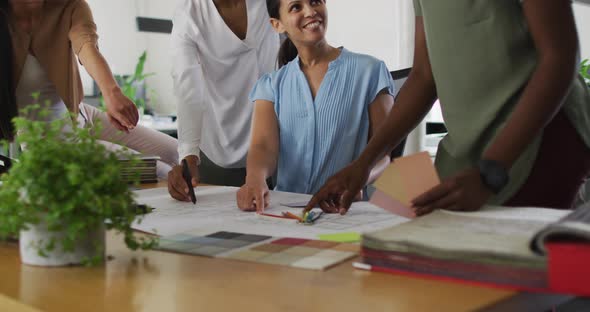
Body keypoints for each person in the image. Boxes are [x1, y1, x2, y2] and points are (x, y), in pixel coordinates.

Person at [306, 0, 590, 216]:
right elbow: (424, 77)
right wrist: (363, 163)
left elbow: (560, 57)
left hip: (538, 140)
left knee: (514, 282)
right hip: (469, 151)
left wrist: (491, 170)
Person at [235, 0, 394, 212]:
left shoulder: (371, 71)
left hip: (343, 211)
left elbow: (384, 154)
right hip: (284, 211)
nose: (310, 12)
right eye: (296, 7)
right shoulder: (271, 85)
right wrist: (254, 179)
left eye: (315, 2)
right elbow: (263, 146)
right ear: (277, 25)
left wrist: (359, 177)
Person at [0, 0, 178, 173]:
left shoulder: (70, 6)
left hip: (82, 115)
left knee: (177, 153)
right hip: (48, 140)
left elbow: (86, 46)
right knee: (158, 172)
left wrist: (112, 93)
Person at [167, 0, 280, 201]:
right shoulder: (189, 14)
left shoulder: (269, 3)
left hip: (277, 141)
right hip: (218, 145)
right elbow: (187, 89)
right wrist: (189, 156)